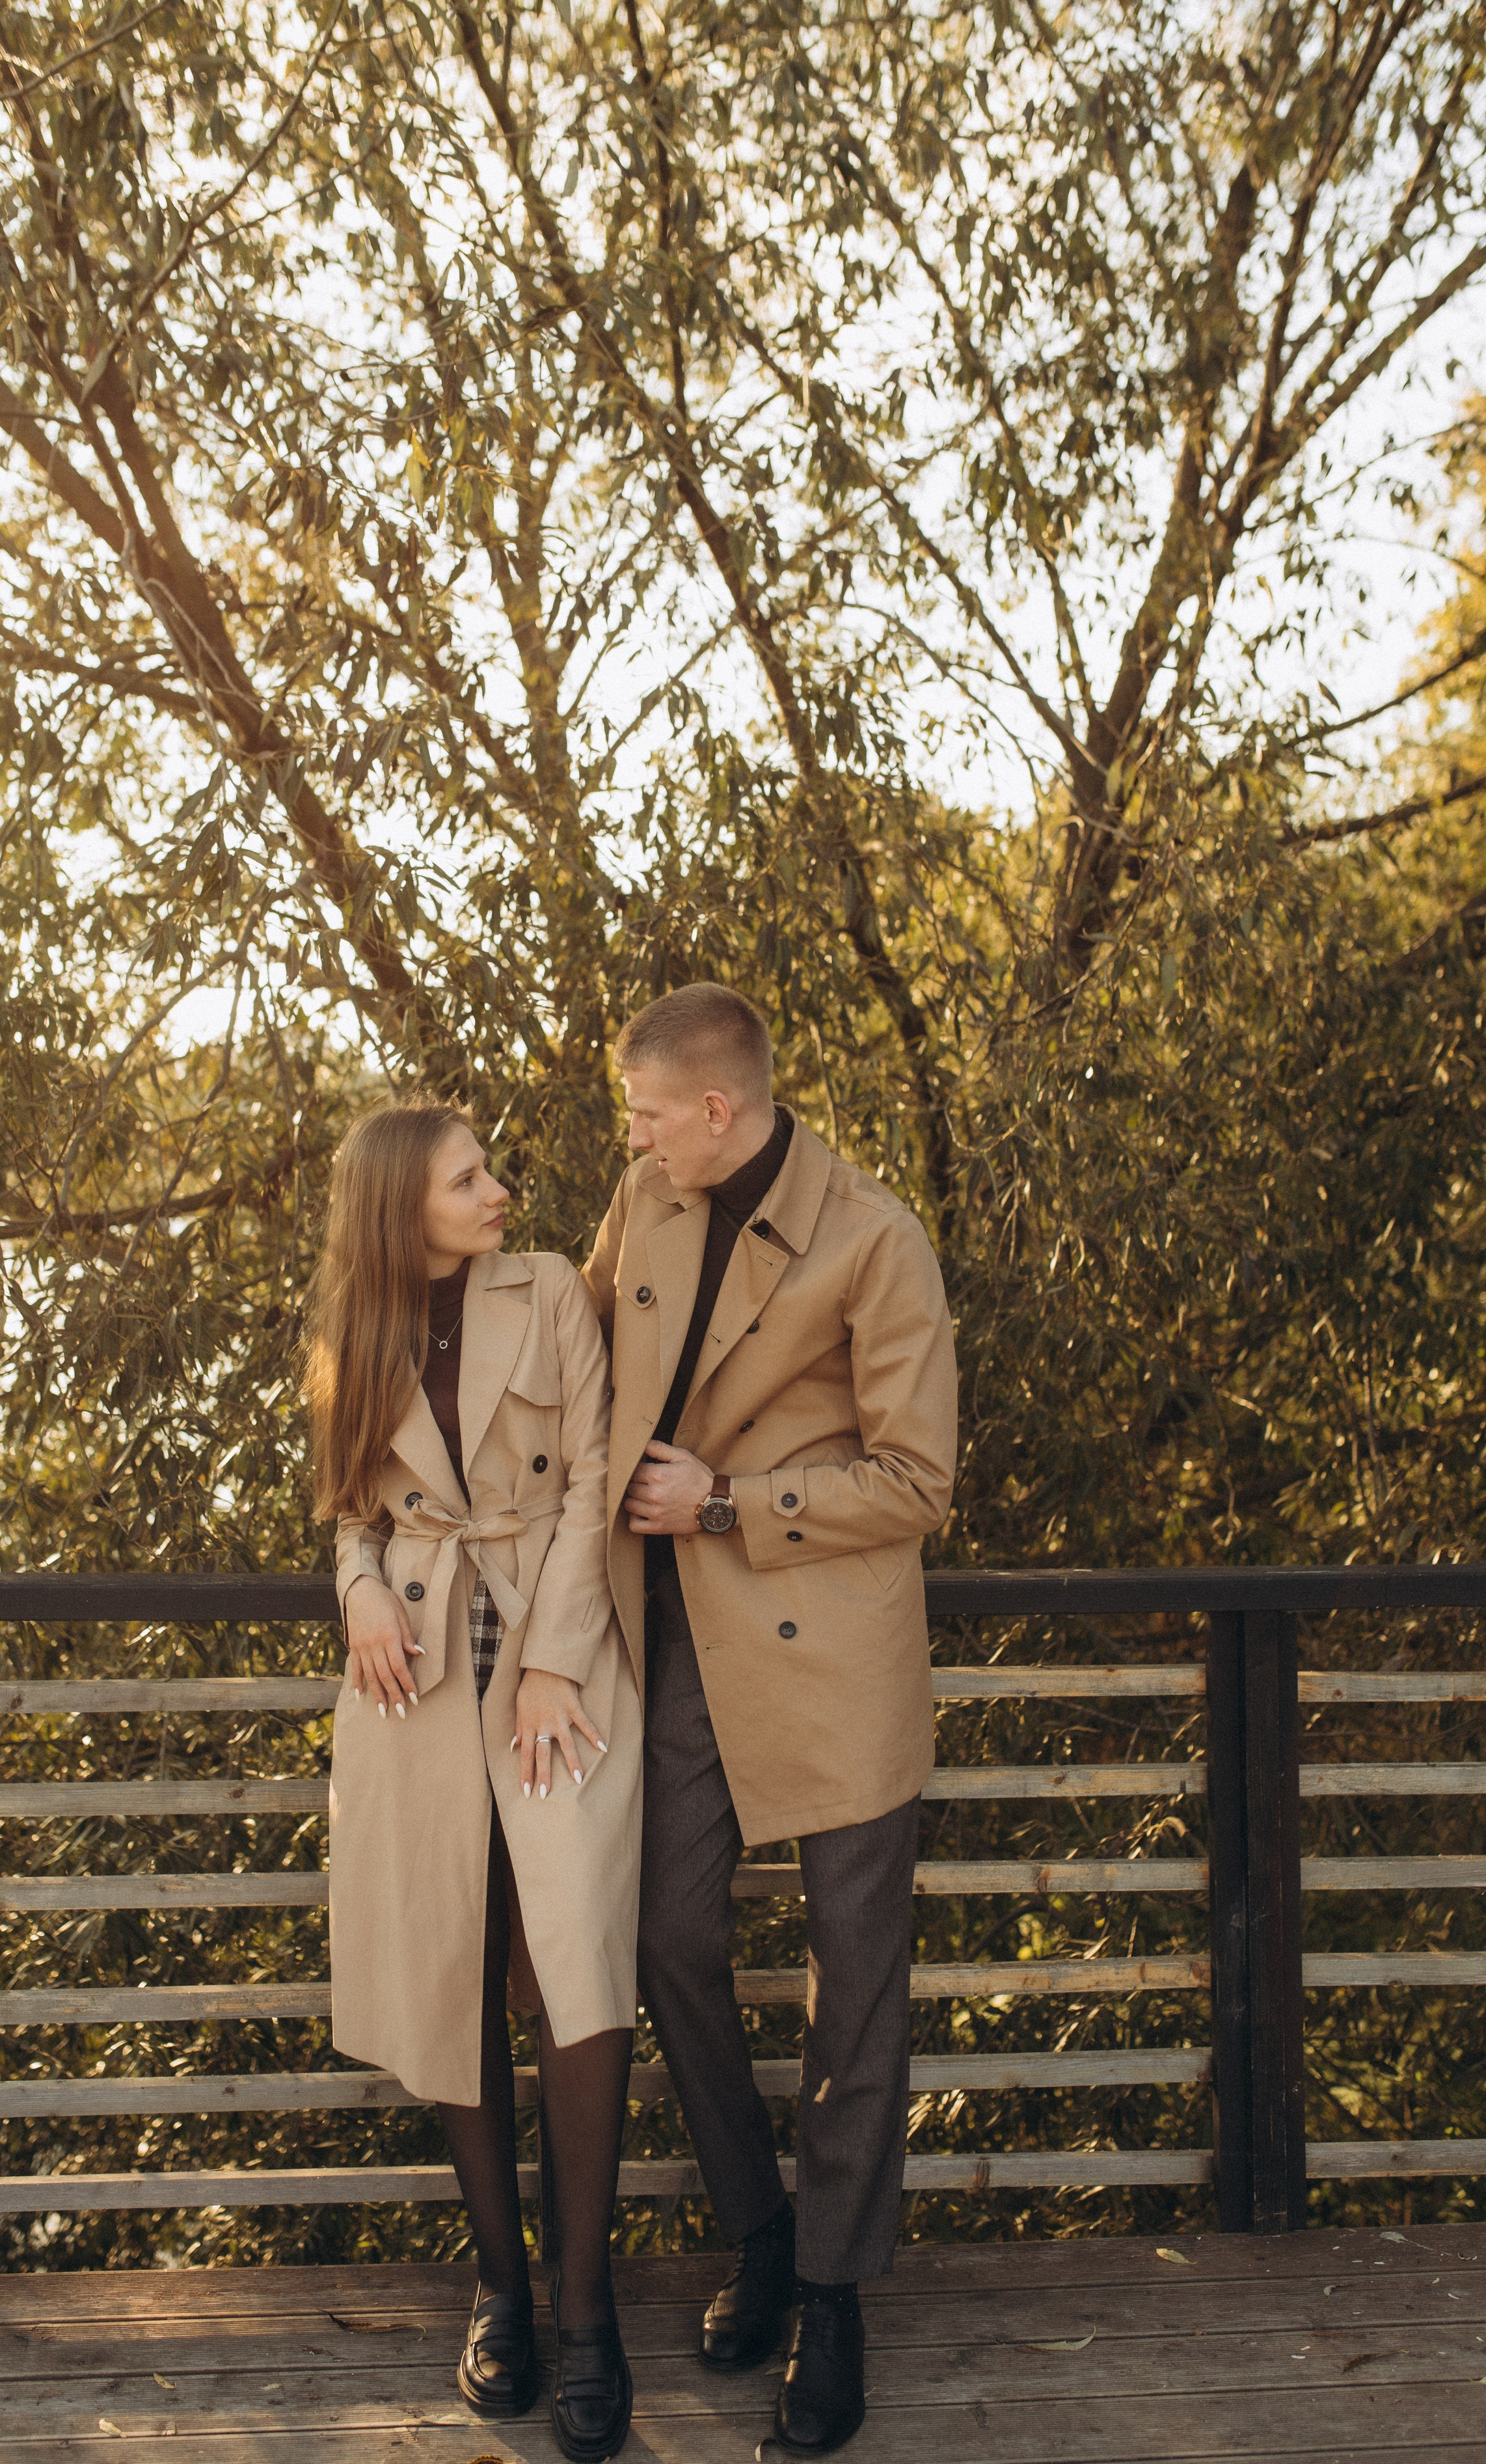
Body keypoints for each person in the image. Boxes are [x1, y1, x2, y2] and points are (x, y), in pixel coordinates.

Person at [582, 985, 957, 2457]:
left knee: (853, 1988)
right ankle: (754, 2223)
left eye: (646, 1114)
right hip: (675, 1641)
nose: (633, 1139)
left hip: (833, 1652)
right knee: (664, 1932)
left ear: (717, 1113)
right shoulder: (645, 1201)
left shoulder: (876, 1238)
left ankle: (833, 2293)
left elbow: (917, 1481)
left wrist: (729, 1501)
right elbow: (579, 1360)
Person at [306, 1100, 642, 2464]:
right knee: (446, 1961)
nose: (498, 1191)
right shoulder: (349, 1326)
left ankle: (588, 2308)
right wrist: (358, 1591)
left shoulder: (551, 1288)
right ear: (405, 1206)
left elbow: (595, 1478)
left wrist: (559, 1659)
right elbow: (343, 1508)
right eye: (468, 1179)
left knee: (574, 1965)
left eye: (489, 1173)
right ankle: (500, 2290)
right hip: (415, 1678)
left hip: (555, 1664)